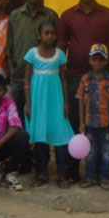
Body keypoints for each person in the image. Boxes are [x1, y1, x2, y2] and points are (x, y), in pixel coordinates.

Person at [58, 0, 109, 183]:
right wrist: (60, 74)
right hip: (75, 77)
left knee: (102, 125)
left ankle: (100, 172)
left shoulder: (107, 14)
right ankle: (73, 170)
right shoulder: (67, 15)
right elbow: (61, 46)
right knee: (76, 124)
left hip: (102, 79)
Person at [24, 21, 74, 188]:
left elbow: (63, 80)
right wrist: (29, 105)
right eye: (46, 32)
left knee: (60, 137)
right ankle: (41, 173)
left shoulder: (60, 55)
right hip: (38, 101)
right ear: (39, 35)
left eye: (53, 33)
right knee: (40, 137)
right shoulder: (31, 54)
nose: (50, 36)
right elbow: (26, 80)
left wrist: (66, 103)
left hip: (56, 101)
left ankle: (62, 174)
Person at [7, 0, 58, 122]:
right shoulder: (15, 16)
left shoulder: (51, 15)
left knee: (41, 117)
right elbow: (9, 47)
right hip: (19, 77)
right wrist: (12, 72)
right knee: (19, 119)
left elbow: (57, 45)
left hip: (43, 76)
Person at [77, 44, 109, 190]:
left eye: (101, 60)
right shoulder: (85, 79)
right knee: (91, 151)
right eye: (94, 60)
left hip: (107, 123)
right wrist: (82, 122)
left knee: (107, 152)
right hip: (90, 122)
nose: (97, 63)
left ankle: (104, 177)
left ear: (106, 61)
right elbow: (81, 102)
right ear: (89, 60)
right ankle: (90, 177)